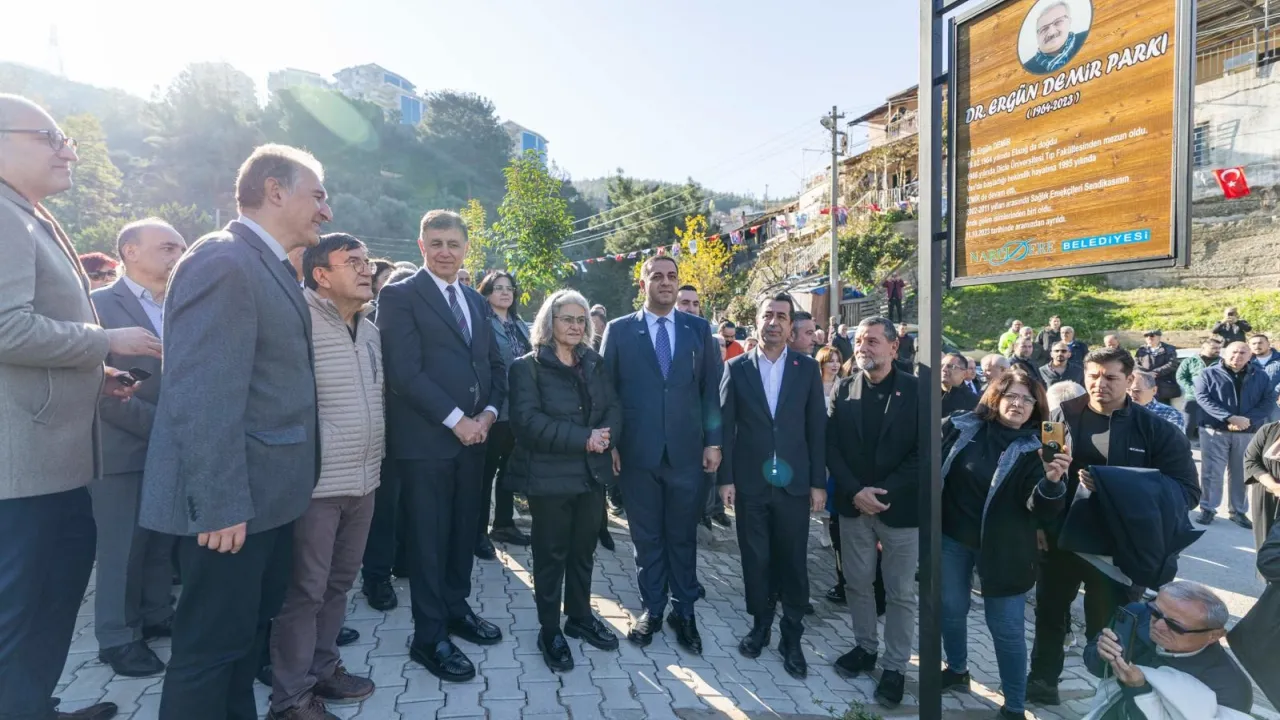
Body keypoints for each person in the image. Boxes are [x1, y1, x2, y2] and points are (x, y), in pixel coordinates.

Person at [139, 144, 329, 719]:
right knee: (208, 652)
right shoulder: (223, 260)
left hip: (262, 501)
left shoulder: (264, 262)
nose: (326, 210)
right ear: (275, 190)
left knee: (239, 645)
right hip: (231, 511)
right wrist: (220, 504)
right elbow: (202, 395)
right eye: (318, 195)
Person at [0, 95, 159, 720]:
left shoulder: (25, 213)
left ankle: (30, 706)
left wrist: (96, 375)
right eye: (51, 137)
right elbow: (6, 327)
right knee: (21, 607)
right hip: (23, 469)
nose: (69, 149)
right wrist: (104, 341)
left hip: (54, 458)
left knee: (49, 598)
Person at [377, 210, 508, 683]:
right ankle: (428, 637)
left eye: (453, 243)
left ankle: (456, 608)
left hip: (474, 441)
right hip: (427, 443)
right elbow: (404, 372)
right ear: (421, 246)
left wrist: (488, 415)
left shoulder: (474, 300)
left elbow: (493, 365)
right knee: (429, 542)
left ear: (467, 247)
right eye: (436, 243)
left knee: (461, 534)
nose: (445, 252)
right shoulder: (399, 296)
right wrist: (457, 421)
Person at [1028, 347, 1200, 706]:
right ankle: (1042, 684)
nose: (1099, 384)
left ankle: (1112, 700)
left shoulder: (1155, 430)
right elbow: (1041, 474)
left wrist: (1117, 485)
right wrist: (1040, 524)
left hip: (1119, 551)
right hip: (1061, 542)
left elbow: (1188, 492)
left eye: (1110, 377)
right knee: (1049, 615)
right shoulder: (1059, 417)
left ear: (1129, 379)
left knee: (1109, 631)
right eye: (1093, 376)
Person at [268, 234, 384, 718]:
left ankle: (324, 669)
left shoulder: (370, 329)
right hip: (316, 485)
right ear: (320, 274)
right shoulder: (299, 319)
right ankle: (290, 698)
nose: (366, 269)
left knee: (339, 585)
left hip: (365, 479)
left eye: (367, 262)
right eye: (352, 262)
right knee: (305, 592)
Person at [599, 255, 722, 654]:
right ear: (643, 284)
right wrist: (612, 443)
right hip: (637, 454)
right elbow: (607, 393)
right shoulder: (619, 330)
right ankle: (652, 608)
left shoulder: (698, 329)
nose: (666, 282)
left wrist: (713, 441)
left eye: (672, 276)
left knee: (682, 536)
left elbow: (710, 391)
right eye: (657, 276)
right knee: (647, 536)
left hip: (687, 453)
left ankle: (684, 612)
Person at [939, 369, 1070, 720]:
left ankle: (1014, 706)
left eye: (1027, 399)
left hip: (1006, 550)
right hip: (952, 537)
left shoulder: (1038, 447)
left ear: (1036, 408)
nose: (1018, 404)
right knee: (950, 608)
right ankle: (957, 669)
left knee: (1007, 629)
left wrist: (1052, 481)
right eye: (1011, 395)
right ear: (995, 397)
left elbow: (1042, 509)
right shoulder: (963, 426)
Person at [89, 219, 186, 679]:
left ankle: (155, 614)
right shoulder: (98, 305)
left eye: (181, 248)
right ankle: (118, 637)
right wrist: (164, 427)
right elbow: (96, 386)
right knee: (122, 548)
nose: (178, 256)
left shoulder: (182, 302)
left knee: (160, 540)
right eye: (167, 248)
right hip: (123, 447)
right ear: (130, 251)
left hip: (173, 445)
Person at [507, 289, 622, 672]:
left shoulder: (594, 361)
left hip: (591, 475)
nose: (575, 325)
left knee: (583, 552)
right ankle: (549, 629)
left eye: (581, 320)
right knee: (550, 556)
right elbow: (528, 423)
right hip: (549, 478)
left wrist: (607, 437)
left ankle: (579, 617)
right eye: (567, 318)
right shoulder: (526, 368)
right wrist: (584, 438)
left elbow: (613, 406)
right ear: (549, 322)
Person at [718, 294, 826, 679]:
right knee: (756, 558)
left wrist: (818, 483)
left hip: (794, 485)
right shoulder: (736, 368)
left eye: (781, 316)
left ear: (791, 325)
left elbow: (817, 428)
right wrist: (725, 478)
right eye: (768, 315)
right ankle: (760, 625)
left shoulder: (806, 368)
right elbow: (725, 427)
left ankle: (791, 635)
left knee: (793, 561)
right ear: (757, 320)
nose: (774, 322)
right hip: (750, 483)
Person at [827, 317, 920, 707]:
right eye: (860, 341)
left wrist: (883, 492)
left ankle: (895, 667)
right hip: (854, 507)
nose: (863, 347)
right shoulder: (844, 388)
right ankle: (865, 647)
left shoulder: (918, 391)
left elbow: (924, 452)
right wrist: (855, 491)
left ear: (894, 347)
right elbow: (831, 447)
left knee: (900, 593)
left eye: (873, 341)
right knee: (857, 583)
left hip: (900, 510)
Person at [1084, 582, 1252, 717]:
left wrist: (1139, 690)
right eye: (1155, 612)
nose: (1158, 626)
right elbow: (1094, 666)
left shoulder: (1230, 689)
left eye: (1175, 626)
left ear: (1214, 635)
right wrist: (1101, 654)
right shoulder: (1136, 616)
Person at [360, 269, 416, 613]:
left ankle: (405, 560)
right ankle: (376, 577)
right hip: (384, 433)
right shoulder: (370, 326)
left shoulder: (427, 327)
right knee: (384, 508)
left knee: (412, 504)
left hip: (420, 432)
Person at [475, 270, 532, 556]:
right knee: (486, 473)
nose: (505, 292)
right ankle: (477, 531)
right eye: (498, 288)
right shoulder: (482, 324)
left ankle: (504, 524)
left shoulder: (520, 324)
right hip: (494, 407)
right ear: (486, 294)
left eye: (509, 288)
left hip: (520, 410)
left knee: (510, 469)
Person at [1195, 341, 1278, 529]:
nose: (1237, 356)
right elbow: (1203, 398)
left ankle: (1238, 511)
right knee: (1212, 472)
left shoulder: (1261, 376)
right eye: (1233, 352)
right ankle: (1208, 509)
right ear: (1224, 353)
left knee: (1242, 473)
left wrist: (1246, 420)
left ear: (1250, 356)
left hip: (1247, 431)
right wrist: (1229, 417)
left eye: (1242, 353)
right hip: (1214, 430)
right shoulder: (1208, 373)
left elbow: (1268, 401)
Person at [1023, 0, 1089, 74]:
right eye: (1044, 29)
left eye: (1057, 22)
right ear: (1037, 37)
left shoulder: (1089, 38)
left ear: (1069, 22)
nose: (1051, 32)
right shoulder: (1027, 69)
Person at [1245, 419, 1280, 555]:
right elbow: (1251, 461)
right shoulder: (1268, 430)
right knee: (1264, 548)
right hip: (1265, 495)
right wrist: (1273, 486)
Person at [1177, 338, 1222, 440]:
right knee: (1188, 425)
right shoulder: (1190, 361)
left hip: (1214, 400)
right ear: (1203, 348)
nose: (1218, 350)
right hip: (1193, 398)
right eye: (1214, 348)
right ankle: (1183, 446)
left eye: (1219, 348)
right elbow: (1181, 377)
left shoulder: (1222, 362)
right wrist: (1193, 389)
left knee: (1213, 427)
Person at [1135, 330, 1181, 403]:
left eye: (1152, 335)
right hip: (1146, 386)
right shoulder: (1141, 350)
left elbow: (1172, 364)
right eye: (1146, 336)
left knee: (1163, 408)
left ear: (1159, 337)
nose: (1149, 337)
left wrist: (1155, 373)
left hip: (1164, 387)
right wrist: (1147, 374)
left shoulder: (1169, 349)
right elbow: (1137, 365)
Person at [1250, 333, 1280, 422]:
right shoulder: (1246, 361)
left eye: (1260, 343)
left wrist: (1277, 391)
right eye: (1253, 344)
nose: (1257, 346)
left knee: (1275, 428)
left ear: (1268, 344)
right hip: (1254, 403)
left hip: (1276, 401)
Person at [941, 352, 979, 417]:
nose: (943, 369)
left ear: (964, 374)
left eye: (950, 366)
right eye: (941, 366)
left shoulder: (973, 402)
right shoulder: (927, 393)